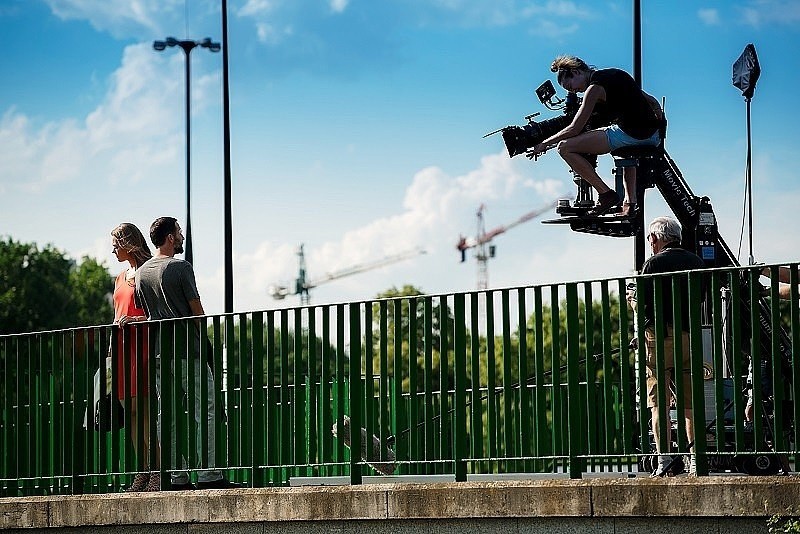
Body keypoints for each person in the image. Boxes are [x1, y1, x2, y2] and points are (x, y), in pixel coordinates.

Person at [135, 216, 238, 490]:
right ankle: (209, 475)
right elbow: (197, 312)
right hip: (187, 350)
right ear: (170, 237)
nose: (181, 237)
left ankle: (175, 476)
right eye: (179, 232)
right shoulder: (181, 267)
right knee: (205, 409)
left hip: (160, 353)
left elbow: (146, 313)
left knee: (165, 413)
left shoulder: (141, 273)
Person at [528, 55, 663, 217]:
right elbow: (653, 102)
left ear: (577, 72)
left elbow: (574, 129)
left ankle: (606, 195)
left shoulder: (594, 89)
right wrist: (659, 125)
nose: (573, 91)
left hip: (631, 136)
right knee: (625, 150)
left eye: (571, 87)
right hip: (653, 137)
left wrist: (544, 143)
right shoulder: (616, 73)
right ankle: (630, 204)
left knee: (564, 148)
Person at [627, 216, 705, 477]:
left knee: (658, 402)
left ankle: (665, 460)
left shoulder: (653, 263)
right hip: (687, 336)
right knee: (689, 403)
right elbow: (701, 297)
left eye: (650, 239)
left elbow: (644, 303)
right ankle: (695, 458)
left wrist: (632, 299)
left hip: (657, 337)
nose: (650, 243)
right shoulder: (696, 261)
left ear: (656, 238)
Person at [110, 223, 160, 492]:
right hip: (121, 345)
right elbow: (118, 311)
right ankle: (142, 471)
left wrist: (135, 319)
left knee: (144, 411)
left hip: (142, 344)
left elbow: (157, 312)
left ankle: (157, 470)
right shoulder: (119, 277)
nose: (113, 250)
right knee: (128, 410)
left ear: (129, 243)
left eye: (116, 244)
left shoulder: (147, 272)